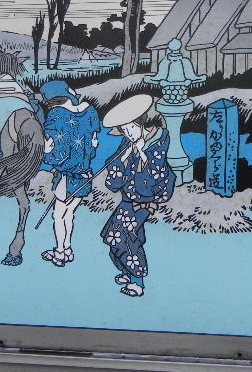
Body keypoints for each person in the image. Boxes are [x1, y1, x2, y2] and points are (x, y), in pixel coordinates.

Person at [99, 94, 175, 298]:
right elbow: (113, 183)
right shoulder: (127, 144)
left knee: (122, 236)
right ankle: (127, 271)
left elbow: (149, 183)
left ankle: (137, 281)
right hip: (128, 200)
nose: (128, 133)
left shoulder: (157, 145)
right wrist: (123, 158)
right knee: (116, 235)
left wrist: (140, 155)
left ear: (141, 123)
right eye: (124, 130)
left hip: (144, 201)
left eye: (130, 128)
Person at [40, 80, 100, 267]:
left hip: (67, 177)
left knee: (59, 215)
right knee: (70, 213)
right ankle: (67, 248)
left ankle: (60, 252)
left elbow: (57, 154)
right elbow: (93, 147)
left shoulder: (56, 116)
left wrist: (46, 152)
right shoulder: (90, 112)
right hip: (85, 175)